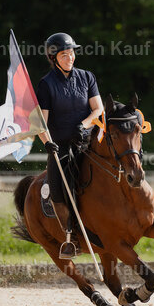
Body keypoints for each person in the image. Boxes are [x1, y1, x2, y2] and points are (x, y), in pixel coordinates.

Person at [36, 32, 103, 258]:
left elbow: (98, 109)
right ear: (54, 58)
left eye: (72, 53)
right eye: (64, 55)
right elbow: (41, 122)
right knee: (57, 189)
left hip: (89, 141)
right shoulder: (46, 85)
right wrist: (48, 143)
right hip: (62, 146)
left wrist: (83, 125)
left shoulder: (87, 77)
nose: (70, 58)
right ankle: (70, 237)